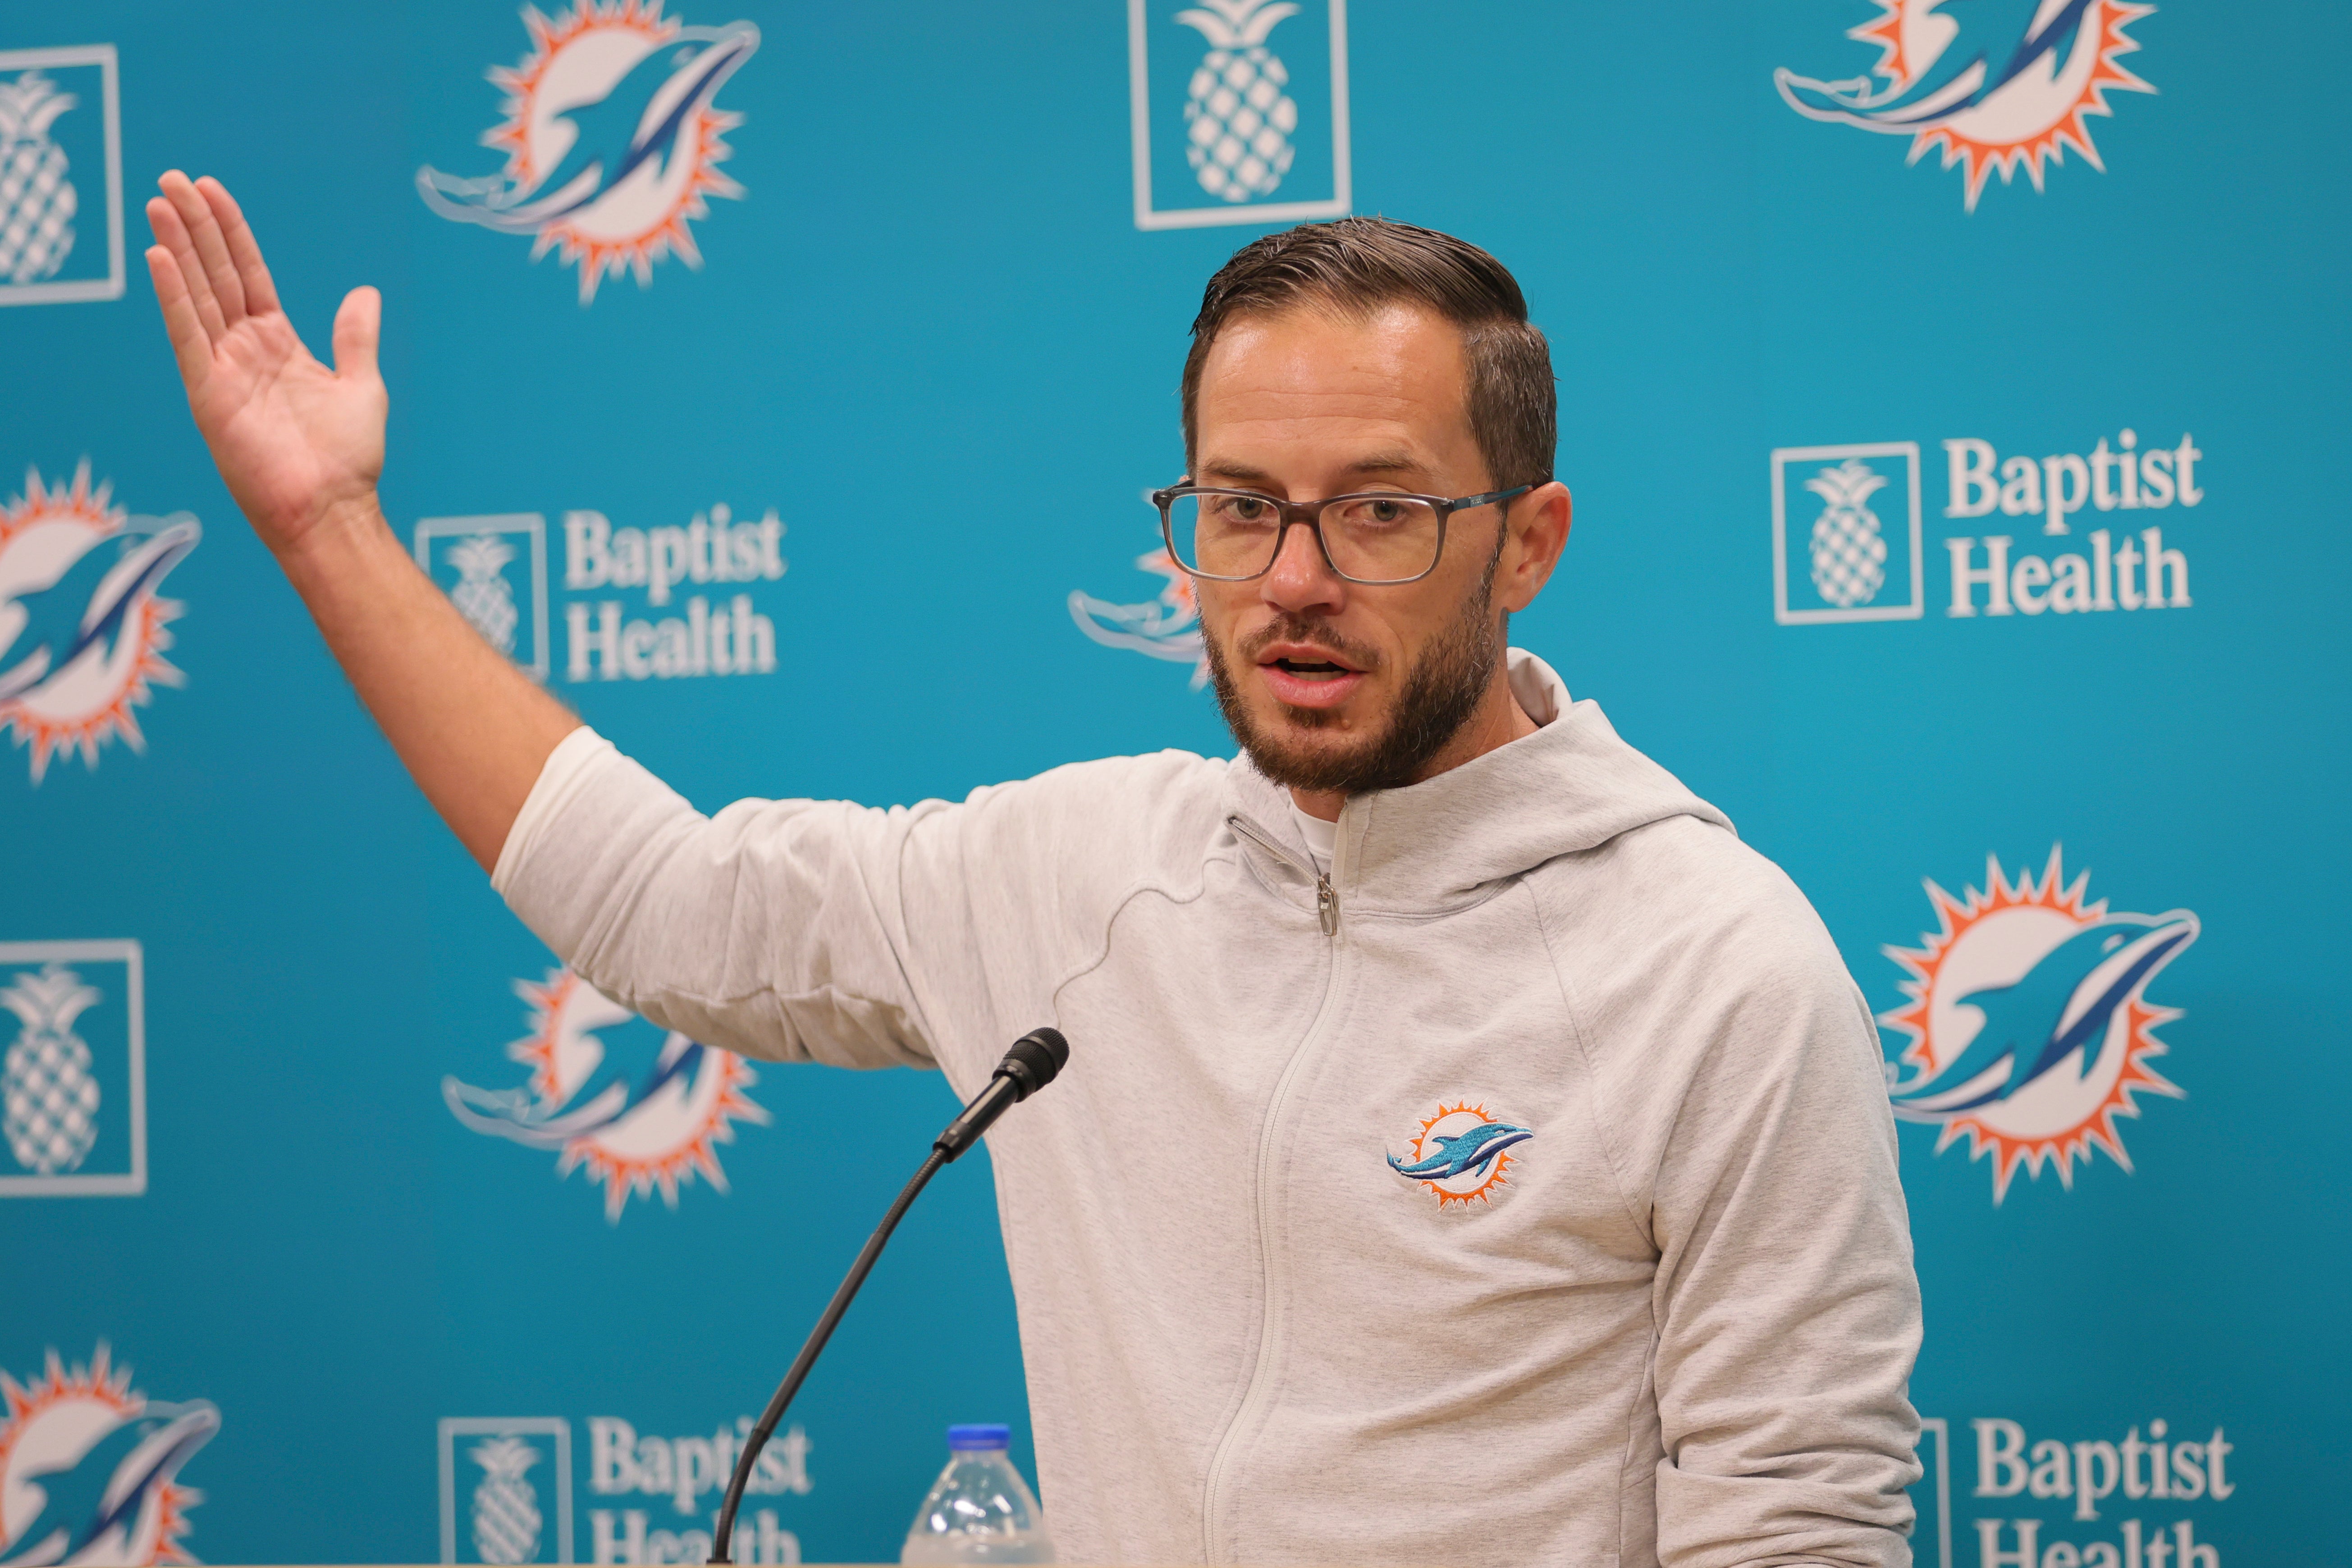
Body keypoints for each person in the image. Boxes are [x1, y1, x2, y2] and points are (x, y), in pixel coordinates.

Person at [145, 170, 1923, 1567]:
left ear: (1523, 541)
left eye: (1378, 510)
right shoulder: (1077, 873)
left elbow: (1799, 1538)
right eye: (1239, 507)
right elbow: (662, 905)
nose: (1293, 577)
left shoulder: (1718, 971)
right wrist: (327, 531)